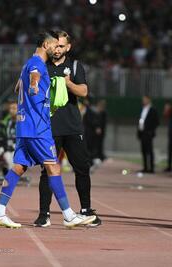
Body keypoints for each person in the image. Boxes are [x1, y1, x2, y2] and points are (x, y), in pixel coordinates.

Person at [0, 30, 95, 228]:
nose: (57, 49)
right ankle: (68, 214)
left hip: (23, 126)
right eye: (55, 45)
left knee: (19, 167)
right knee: (53, 167)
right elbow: (33, 82)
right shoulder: (38, 65)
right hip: (38, 127)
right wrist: (35, 87)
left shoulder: (27, 64)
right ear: (46, 45)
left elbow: (18, 87)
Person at [34, 30, 101, 227]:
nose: (57, 49)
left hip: (72, 127)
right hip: (49, 128)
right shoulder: (42, 65)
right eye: (55, 45)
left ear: (68, 47)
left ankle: (86, 210)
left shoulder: (74, 65)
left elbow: (84, 91)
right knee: (47, 171)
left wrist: (68, 83)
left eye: (61, 46)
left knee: (82, 168)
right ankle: (43, 214)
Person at [137, 95, 159, 173]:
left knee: (149, 151)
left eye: (145, 99)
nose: (143, 101)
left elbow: (156, 122)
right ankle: (145, 167)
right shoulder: (143, 109)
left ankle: (151, 168)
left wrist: (151, 131)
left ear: (149, 100)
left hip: (148, 133)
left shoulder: (153, 109)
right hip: (142, 132)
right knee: (143, 150)